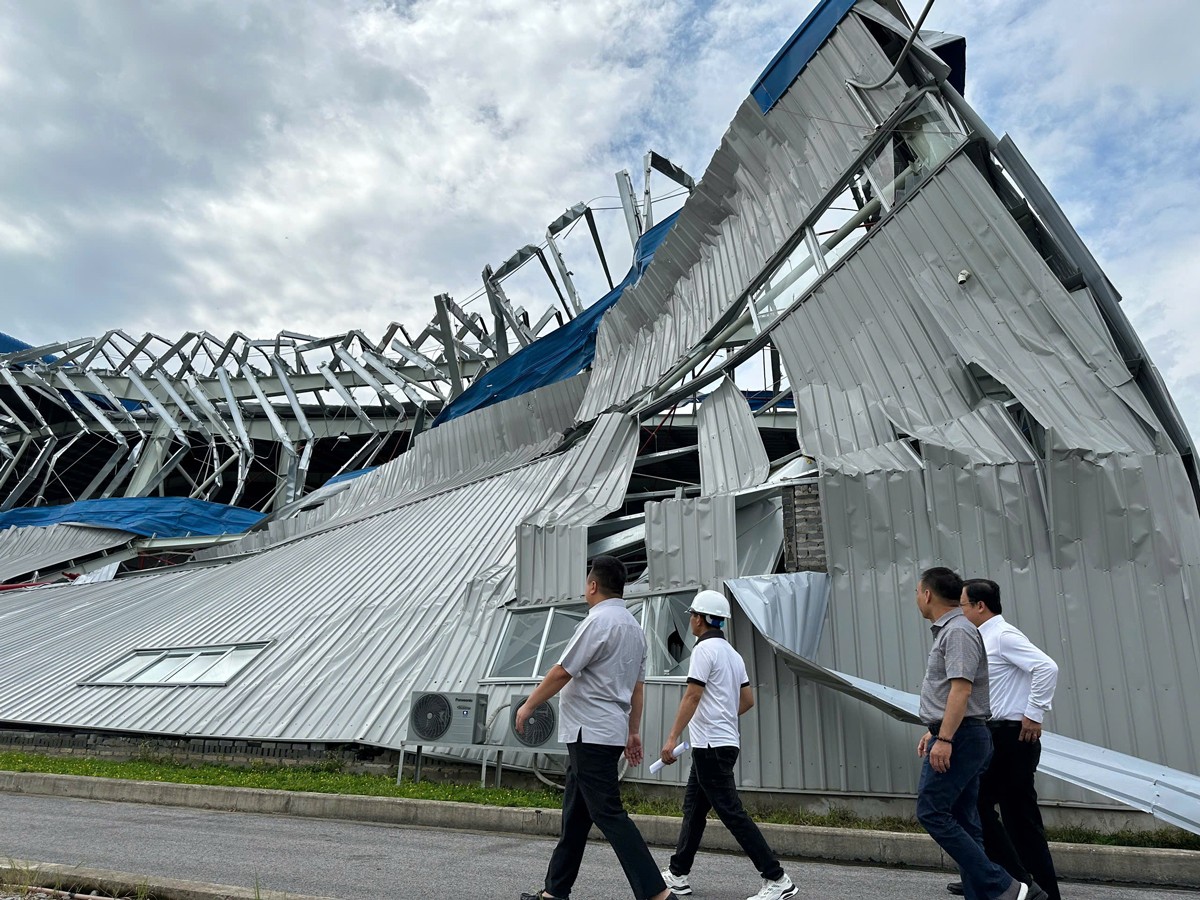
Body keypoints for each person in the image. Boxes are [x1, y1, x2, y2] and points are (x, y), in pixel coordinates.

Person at [516, 555, 671, 900]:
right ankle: (555, 892)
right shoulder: (634, 629)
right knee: (575, 817)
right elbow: (637, 687)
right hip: (607, 731)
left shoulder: (598, 622)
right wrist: (633, 731)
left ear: (593, 585)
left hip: (590, 733)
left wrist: (529, 705)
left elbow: (562, 671)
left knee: (609, 813)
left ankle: (658, 894)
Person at [914, 566, 1047, 900]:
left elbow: (962, 690)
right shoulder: (955, 630)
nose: (917, 598)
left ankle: (1005, 885)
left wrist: (945, 738)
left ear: (927, 594)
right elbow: (953, 693)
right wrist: (935, 730)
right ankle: (988, 894)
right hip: (962, 733)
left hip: (962, 737)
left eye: (917, 591)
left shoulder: (958, 631)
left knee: (932, 812)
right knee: (966, 818)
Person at [658, 590, 798, 900]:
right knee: (694, 810)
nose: (691, 620)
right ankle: (678, 874)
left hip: (710, 746)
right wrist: (721, 714)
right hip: (721, 743)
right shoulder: (733, 655)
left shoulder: (703, 651)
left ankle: (777, 878)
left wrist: (671, 738)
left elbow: (692, 696)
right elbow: (747, 700)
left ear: (700, 619)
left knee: (732, 813)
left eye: (693, 615)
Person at [946, 579, 1061, 899]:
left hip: (1012, 736)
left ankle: (1018, 882)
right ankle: (997, 878)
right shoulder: (981, 636)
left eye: (962, 605)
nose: (959, 612)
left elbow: (1047, 667)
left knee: (998, 810)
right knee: (996, 810)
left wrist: (1034, 713)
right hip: (994, 734)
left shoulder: (1003, 635)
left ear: (980, 606)